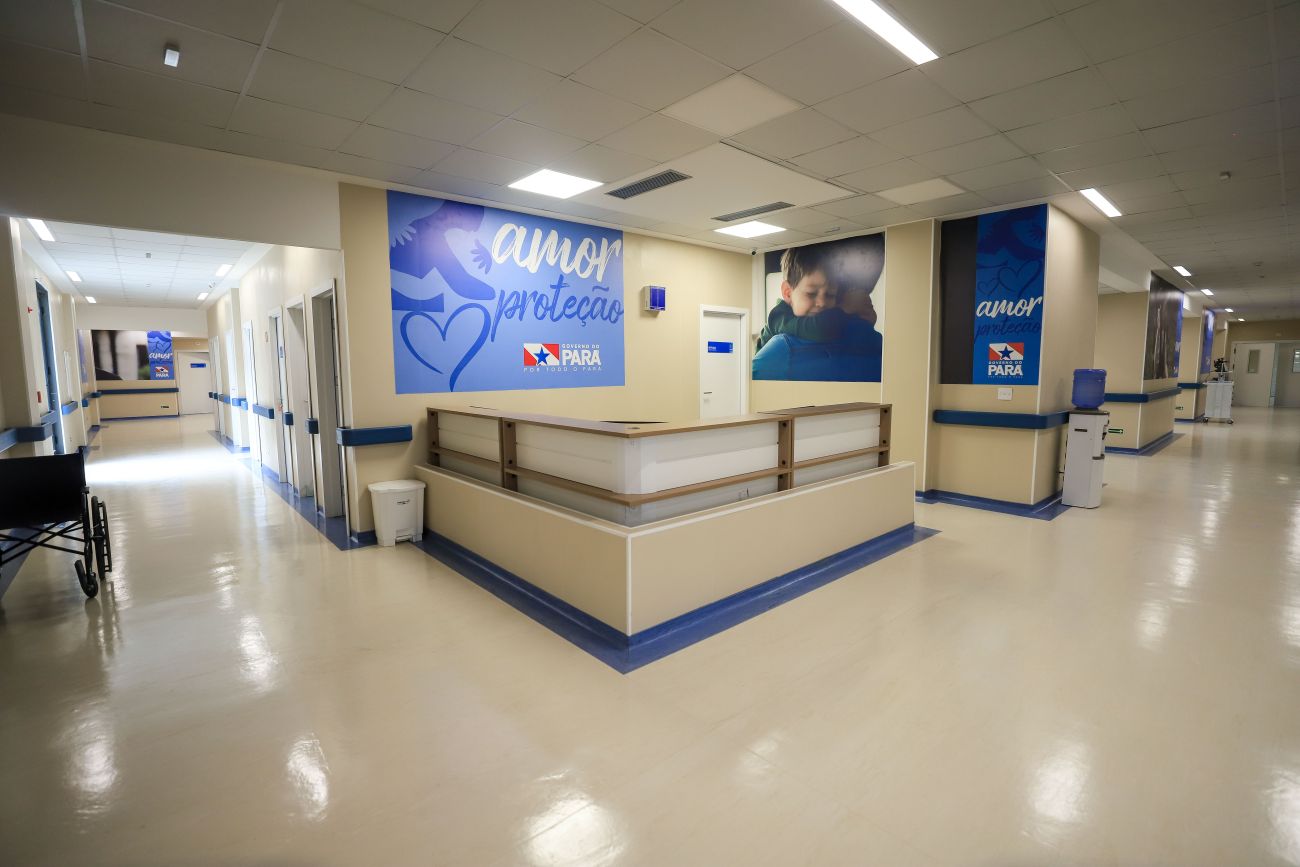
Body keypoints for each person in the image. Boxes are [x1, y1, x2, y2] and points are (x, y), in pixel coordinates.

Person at [755, 245, 851, 352]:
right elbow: (821, 329)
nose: (822, 302)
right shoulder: (778, 318)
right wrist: (845, 310)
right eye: (811, 293)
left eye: (830, 294)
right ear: (788, 293)